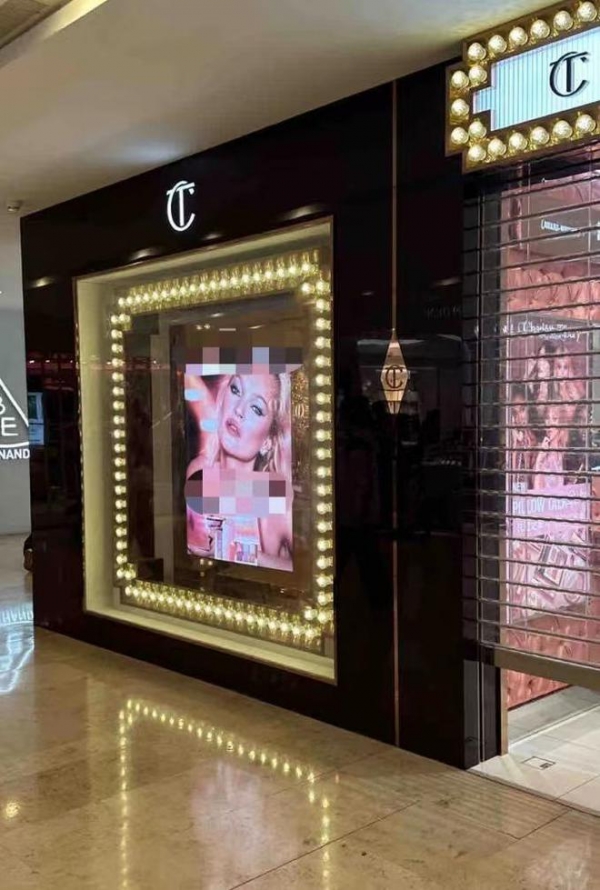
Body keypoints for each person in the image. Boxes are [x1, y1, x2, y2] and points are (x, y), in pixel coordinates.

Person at [185, 372, 293, 570]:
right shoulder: (199, 471)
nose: (239, 410)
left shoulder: (275, 499)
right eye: (235, 390)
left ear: (268, 441)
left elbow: (308, 571)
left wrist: (237, 551)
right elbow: (194, 562)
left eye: (256, 408)